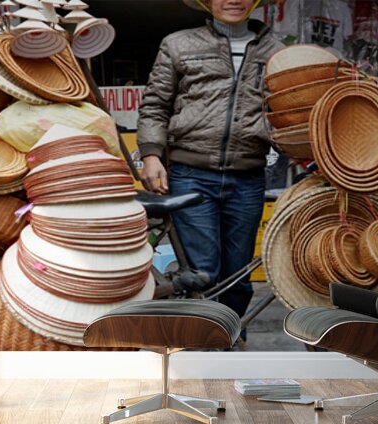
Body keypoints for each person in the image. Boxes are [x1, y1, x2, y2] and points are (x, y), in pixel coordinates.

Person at [136, 0, 284, 336]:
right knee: (204, 271)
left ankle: (228, 341)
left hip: (247, 178)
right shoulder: (178, 43)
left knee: (238, 278)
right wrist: (151, 154)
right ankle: (203, 344)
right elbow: (156, 105)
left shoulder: (277, 53)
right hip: (191, 174)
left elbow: (288, 112)